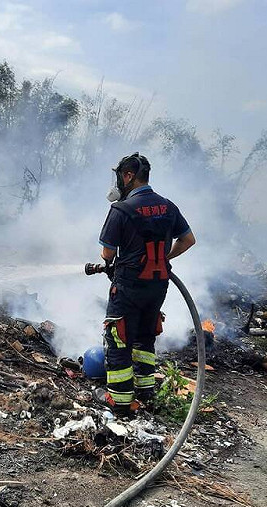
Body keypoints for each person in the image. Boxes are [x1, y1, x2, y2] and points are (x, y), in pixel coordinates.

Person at [98, 152, 196, 415]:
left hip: (129, 285)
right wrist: (164, 257)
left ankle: (120, 400)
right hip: (157, 286)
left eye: (120, 176)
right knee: (144, 338)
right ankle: (145, 393)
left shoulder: (120, 210)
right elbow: (188, 240)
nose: (118, 182)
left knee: (118, 339)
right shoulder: (167, 206)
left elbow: (107, 254)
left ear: (129, 176)